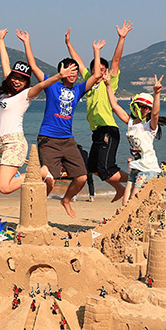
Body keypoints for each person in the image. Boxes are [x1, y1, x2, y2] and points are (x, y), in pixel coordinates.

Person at [0, 29, 79, 195]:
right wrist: (1, 41)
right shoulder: (9, 91)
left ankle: (41, 172)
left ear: (26, 82)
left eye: (21, 80)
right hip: (1, 144)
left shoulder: (25, 95)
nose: (16, 81)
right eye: (15, 77)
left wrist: (59, 75)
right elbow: (5, 64)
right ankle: (38, 173)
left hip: (14, 143)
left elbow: (43, 85)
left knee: (5, 188)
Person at [26, 35, 104, 219]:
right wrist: (27, 42)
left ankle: (66, 200)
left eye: (75, 71)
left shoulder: (77, 91)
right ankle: (35, 207)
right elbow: (33, 66)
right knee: (50, 181)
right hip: (48, 138)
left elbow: (96, 75)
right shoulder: (52, 86)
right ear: (62, 71)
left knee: (82, 177)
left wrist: (97, 51)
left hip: (68, 140)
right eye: (69, 70)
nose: (73, 73)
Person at [65, 24, 132, 203]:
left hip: (108, 130)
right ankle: (120, 189)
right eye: (97, 70)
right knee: (93, 167)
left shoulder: (109, 83)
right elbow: (78, 62)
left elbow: (116, 60)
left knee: (105, 169)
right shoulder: (89, 81)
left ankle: (139, 179)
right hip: (97, 132)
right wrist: (68, 43)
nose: (100, 73)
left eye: (103, 70)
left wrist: (122, 38)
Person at [105, 74, 166, 204]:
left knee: (133, 202)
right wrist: (108, 85)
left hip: (148, 168)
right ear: (135, 106)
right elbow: (115, 106)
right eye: (140, 106)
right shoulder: (131, 123)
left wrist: (157, 93)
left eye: (147, 108)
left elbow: (156, 114)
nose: (143, 109)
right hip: (135, 167)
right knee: (125, 204)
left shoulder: (149, 126)